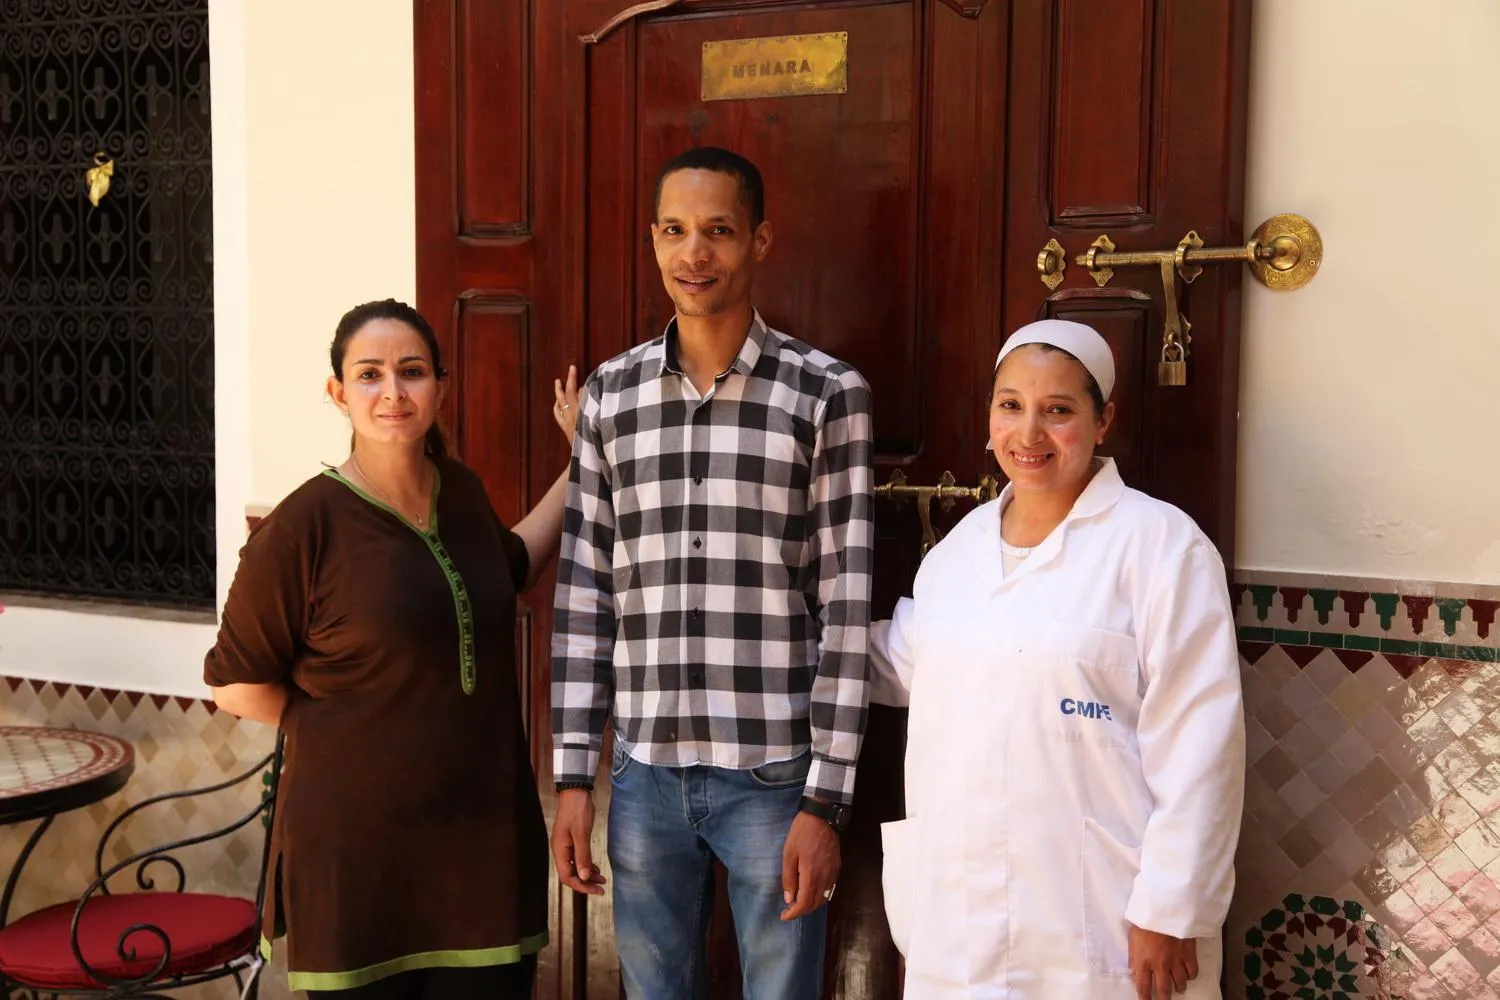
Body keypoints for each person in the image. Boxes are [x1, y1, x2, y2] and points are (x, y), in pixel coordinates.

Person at [549, 147, 875, 999]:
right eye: (676, 231)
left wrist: (825, 801)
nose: (695, 254)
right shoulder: (609, 400)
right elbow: (586, 596)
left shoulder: (825, 396)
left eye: (719, 231)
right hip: (643, 773)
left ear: (760, 241)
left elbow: (846, 609)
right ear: (653, 240)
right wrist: (574, 777)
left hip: (773, 776)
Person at [204, 299, 580, 999]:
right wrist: (339, 718)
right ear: (338, 393)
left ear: (441, 384)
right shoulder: (302, 527)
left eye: (411, 372)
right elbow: (233, 684)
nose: (393, 392)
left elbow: (514, 563)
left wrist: (583, 461)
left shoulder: (461, 494)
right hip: (360, 865)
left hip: (482, 851)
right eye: (369, 375)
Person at [870, 319, 1245, 1000]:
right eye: (1010, 405)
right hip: (958, 930)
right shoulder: (957, 555)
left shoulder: (1161, 548)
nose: (1029, 434)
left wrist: (1172, 907)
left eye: (1059, 410)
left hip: (1101, 923)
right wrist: (769, 636)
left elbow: (1203, 745)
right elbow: (900, 662)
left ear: (1104, 421)